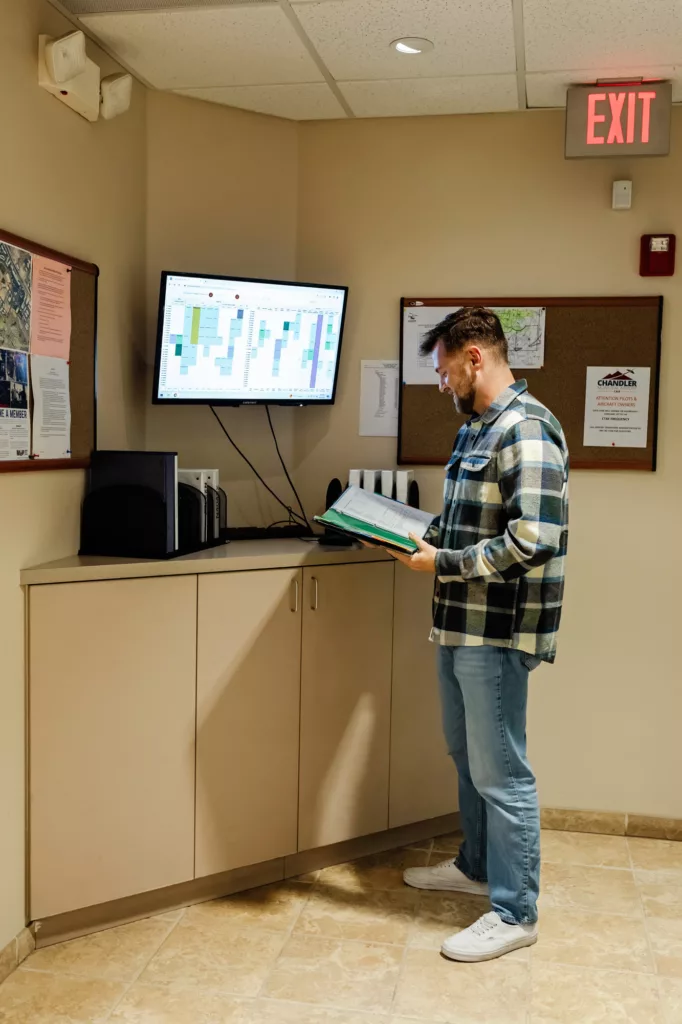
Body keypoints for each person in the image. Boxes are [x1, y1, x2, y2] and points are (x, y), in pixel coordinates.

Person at [392, 307, 569, 963]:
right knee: (466, 759)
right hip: (457, 626)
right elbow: (463, 522)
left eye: (443, 371)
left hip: (495, 634)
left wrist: (443, 563)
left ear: (473, 358)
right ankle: (476, 867)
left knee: (504, 774)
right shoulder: (476, 431)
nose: (441, 384)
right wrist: (416, 537)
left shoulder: (526, 429)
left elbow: (534, 539)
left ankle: (516, 912)